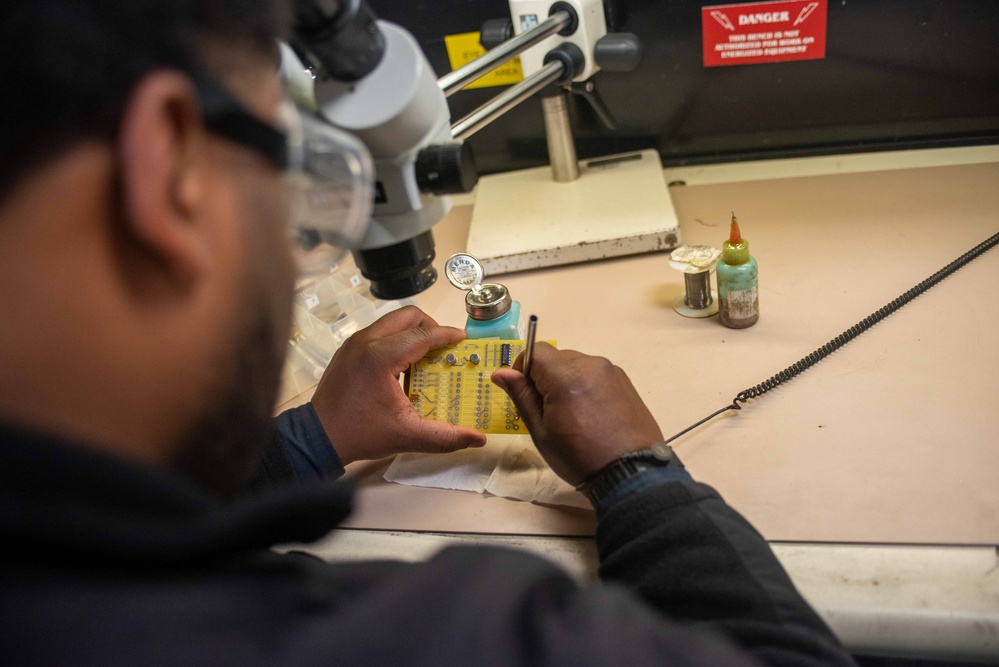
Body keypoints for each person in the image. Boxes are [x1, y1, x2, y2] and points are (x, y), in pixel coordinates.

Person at [0, 1, 855, 665]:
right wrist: (641, 482)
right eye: (294, 169)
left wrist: (309, 438)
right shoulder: (449, 636)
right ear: (171, 166)